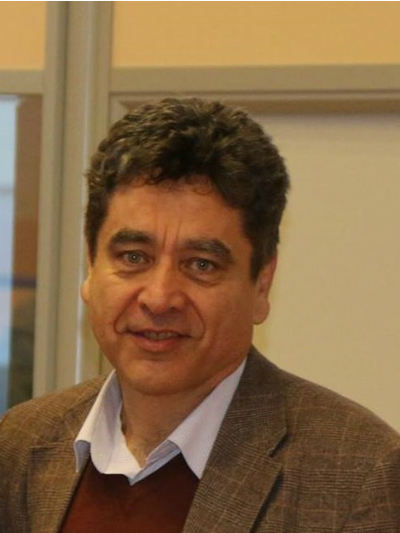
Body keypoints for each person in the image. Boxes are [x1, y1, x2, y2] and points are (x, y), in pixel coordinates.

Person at [0, 98, 399, 533]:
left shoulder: (359, 475)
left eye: (201, 264)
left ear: (261, 285)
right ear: (91, 267)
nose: (159, 298)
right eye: (133, 256)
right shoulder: (21, 443)